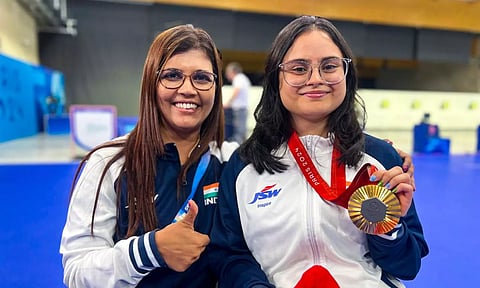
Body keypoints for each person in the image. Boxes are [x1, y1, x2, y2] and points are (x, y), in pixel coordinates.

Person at [209, 16, 429, 288]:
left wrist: (388, 228)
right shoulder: (244, 166)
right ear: (276, 77)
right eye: (299, 69)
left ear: (346, 73)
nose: (316, 79)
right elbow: (231, 256)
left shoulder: (381, 158)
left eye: (329, 66)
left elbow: (408, 266)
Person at [60, 24, 238, 287]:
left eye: (201, 78)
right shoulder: (109, 163)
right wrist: (150, 250)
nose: (188, 89)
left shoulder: (230, 161)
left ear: (215, 87)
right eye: (173, 75)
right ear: (151, 83)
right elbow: (77, 273)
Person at [224, 62, 251, 143]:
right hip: (242, 109)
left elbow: (236, 91)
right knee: (241, 131)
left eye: (228, 73)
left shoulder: (238, 78)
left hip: (239, 110)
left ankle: (237, 151)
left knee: (238, 132)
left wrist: (228, 103)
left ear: (233, 71)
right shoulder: (243, 78)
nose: (227, 75)